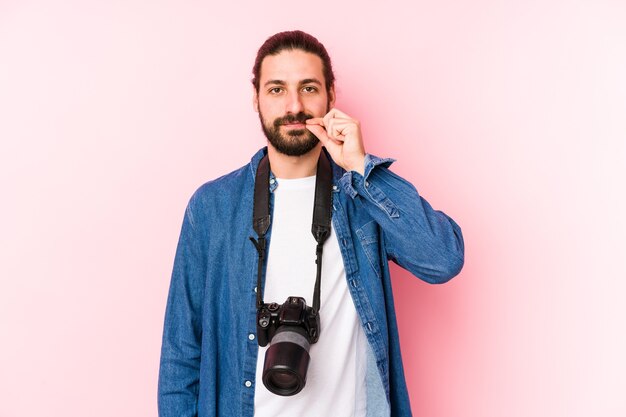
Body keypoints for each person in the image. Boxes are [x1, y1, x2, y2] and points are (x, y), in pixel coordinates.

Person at [158, 30, 464, 417]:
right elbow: (181, 354)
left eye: (308, 88)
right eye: (276, 90)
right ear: (256, 99)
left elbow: (443, 259)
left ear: (331, 96)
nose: (294, 105)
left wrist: (362, 168)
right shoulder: (212, 208)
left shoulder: (361, 199)